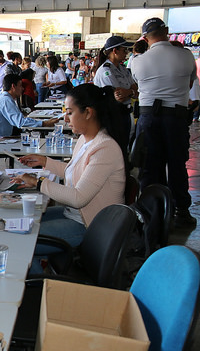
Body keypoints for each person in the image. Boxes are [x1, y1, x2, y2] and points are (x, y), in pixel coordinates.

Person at [11, 84, 126, 249]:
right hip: (75, 215)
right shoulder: (85, 139)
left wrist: (37, 182)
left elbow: (78, 198)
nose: (65, 118)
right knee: (24, 222)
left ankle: (41, 275)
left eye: (70, 113)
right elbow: (73, 172)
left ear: (88, 112)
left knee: (24, 241)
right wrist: (44, 162)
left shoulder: (105, 148)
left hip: (92, 226)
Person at [131, 17, 198, 228]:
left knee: (150, 167)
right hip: (176, 117)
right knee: (177, 164)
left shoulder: (138, 61)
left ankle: (152, 212)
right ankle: (181, 211)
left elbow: (138, 83)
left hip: (148, 117)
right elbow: (189, 83)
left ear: (145, 37)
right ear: (166, 31)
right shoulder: (186, 56)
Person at [93, 36, 137, 153]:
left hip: (126, 114)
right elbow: (118, 97)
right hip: (113, 115)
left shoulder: (123, 69)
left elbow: (136, 90)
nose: (126, 54)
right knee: (116, 149)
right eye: (124, 50)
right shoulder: (106, 71)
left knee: (124, 147)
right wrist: (130, 92)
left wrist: (129, 92)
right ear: (115, 51)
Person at [0, 74, 58, 140]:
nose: (22, 89)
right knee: (34, 140)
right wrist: (44, 123)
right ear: (13, 86)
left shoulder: (2, 97)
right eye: (20, 86)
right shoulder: (6, 100)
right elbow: (20, 122)